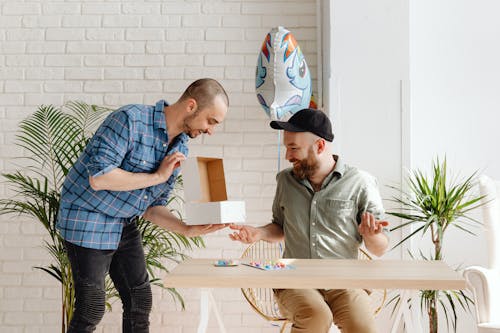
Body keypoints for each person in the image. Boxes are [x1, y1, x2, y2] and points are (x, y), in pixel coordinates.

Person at [57, 78, 229, 333]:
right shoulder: (130, 120)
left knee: (140, 300)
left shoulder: (180, 147)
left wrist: (186, 229)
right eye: (211, 121)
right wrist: (158, 176)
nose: (211, 130)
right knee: (91, 308)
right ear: (191, 106)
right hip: (87, 216)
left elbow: (152, 206)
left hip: (123, 221)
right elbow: (99, 177)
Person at [229, 108, 389, 333]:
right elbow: (280, 227)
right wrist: (260, 233)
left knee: (363, 326)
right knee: (316, 316)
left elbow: (380, 248)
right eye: (287, 148)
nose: (288, 156)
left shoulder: (361, 182)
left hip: (344, 282)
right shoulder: (286, 180)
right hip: (295, 280)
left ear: (320, 146)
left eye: (294, 148)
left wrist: (372, 236)